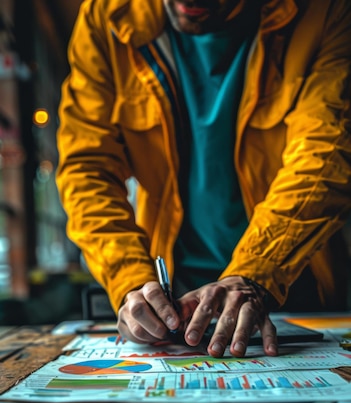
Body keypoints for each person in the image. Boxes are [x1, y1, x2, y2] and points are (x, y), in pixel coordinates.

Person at [56, 0, 351, 358]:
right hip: (170, 295)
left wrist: (256, 272)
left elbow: (326, 153)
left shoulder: (325, 11)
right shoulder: (107, 17)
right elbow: (87, 168)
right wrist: (130, 278)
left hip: (291, 282)